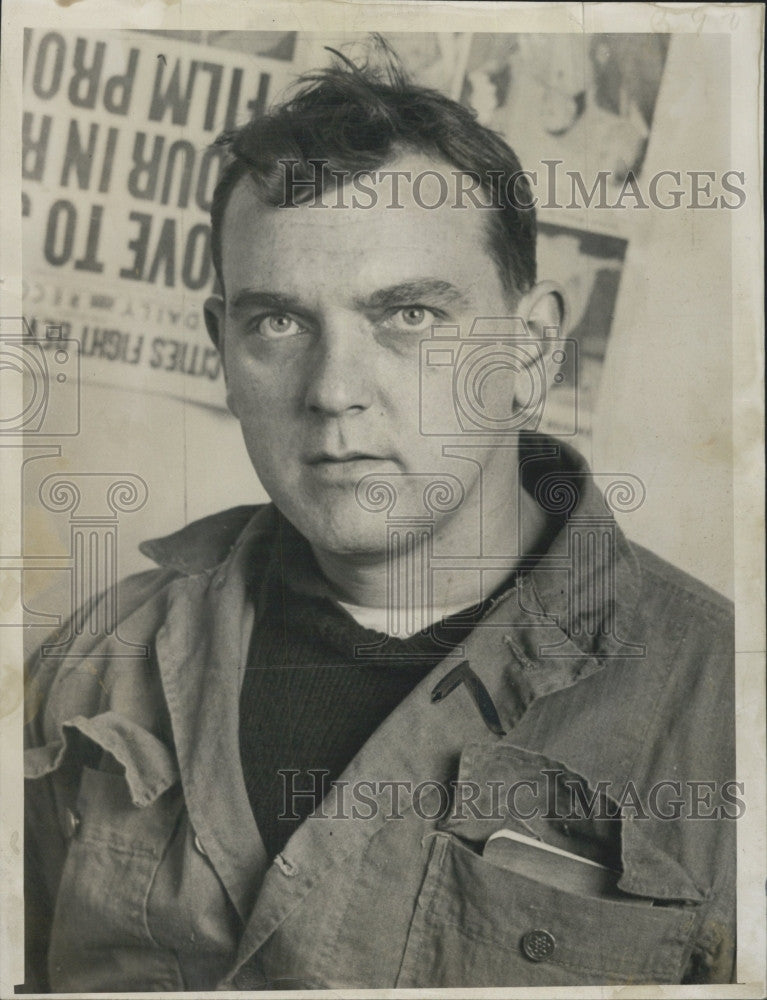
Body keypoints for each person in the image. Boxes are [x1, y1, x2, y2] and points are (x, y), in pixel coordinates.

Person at [22, 49, 736, 992]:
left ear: (527, 352)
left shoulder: (720, 701)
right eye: (277, 323)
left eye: (407, 315)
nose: (333, 392)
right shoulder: (101, 655)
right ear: (223, 349)